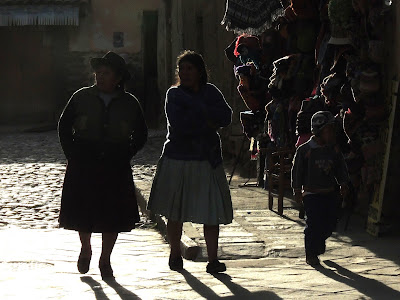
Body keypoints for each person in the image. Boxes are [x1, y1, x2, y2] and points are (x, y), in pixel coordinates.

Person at [58, 51, 148, 279]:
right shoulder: (81, 97)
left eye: (105, 73)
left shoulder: (130, 103)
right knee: (83, 209)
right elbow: (64, 125)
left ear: (117, 78)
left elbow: (141, 133)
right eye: (98, 72)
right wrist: (72, 153)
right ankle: (86, 247)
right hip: (84, 162)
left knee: (113, 214)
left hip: (115, 163)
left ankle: (106, 258)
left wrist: (127, 152)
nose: (100, 76)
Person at [147, 50, 233, 273]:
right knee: (175, 211)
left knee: (211, 211)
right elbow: (180, 125)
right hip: (179, 158)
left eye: (189, 68)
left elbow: (226, 116)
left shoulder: (211, 92)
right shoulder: (174, 95)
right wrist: (207, 119)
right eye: (181, 69)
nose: (184, 73)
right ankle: (175, 253)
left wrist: (200, 113)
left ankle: (213, 259)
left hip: (207, 159)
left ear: (200, 71)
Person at [291, 111, 349, 266]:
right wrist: (297, 190)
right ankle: (311, 252)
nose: (331, 134)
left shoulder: (333, 150)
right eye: (328, 130)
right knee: (313, 224)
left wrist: (343, 183)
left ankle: (319, 241)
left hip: (329, 192)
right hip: (312, 194)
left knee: (330, 223)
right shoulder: (304, 151)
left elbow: (340, 168)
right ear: (318, 131)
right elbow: (297, 171)